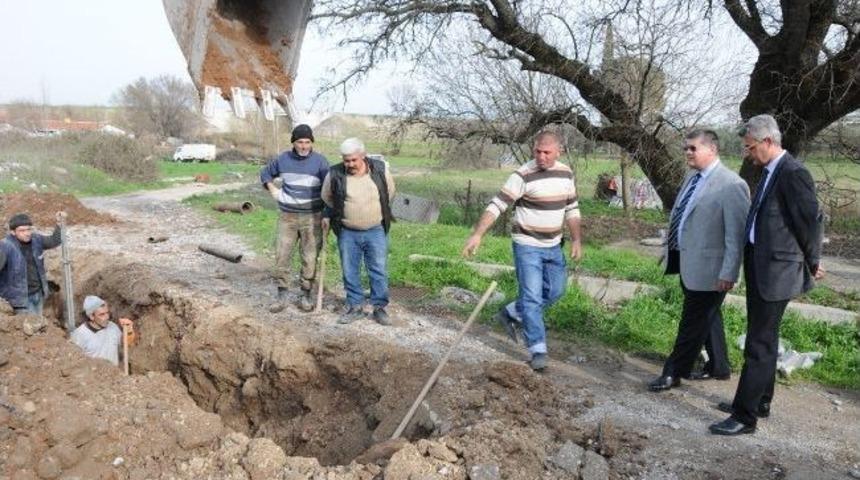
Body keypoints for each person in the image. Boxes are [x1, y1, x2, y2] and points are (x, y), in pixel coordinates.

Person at [710, 114, 823, 436]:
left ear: (769, 142)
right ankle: (760, 401)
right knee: (765, 338)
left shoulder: (793, 173)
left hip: (777, 271)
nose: (748, 153)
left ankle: (744, 417)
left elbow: (810, 220)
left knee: (758, 344)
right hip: (764, 267)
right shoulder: (771, 171)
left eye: (750, 147)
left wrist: (812, 261)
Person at [462, 131, 582, 371]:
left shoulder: (566, 174)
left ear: (558, 151)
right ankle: (538, 349)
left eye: (546, 152)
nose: (541, 156)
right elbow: (497, 205)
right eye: (537, 151)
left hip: (553, 245)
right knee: (531, 297)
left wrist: (577, 239)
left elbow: (572, 208)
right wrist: (477, 234)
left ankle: (509, 312)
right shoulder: (522, 175)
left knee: (556, 291)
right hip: (527, 246)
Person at [647, 130, 750, 392]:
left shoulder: (732, 185)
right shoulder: (692, 177)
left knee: (691, 322)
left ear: (712, 149)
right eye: (686, 148)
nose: (687, 153)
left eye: (693, 148)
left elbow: (735, 236)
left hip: (712, 269)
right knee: (707, 316)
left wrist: (729, 272)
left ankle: (673, 372)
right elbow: (682, 215)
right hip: (687, 261)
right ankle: (719, 366)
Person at [321, 138, 396, 325]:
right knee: (350, 270)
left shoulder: (380, 169)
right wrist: (333, 214)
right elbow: (327, 197)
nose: (350, 164)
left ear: (363, 155)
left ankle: (379, 307)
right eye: (346, 160)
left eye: (354, 160)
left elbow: (390, 192)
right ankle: (355, 306)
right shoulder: (335, 173)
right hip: (348, 231)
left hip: (376, 230)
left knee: (378, 270)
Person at [260, 124, 330, 311]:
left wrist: (327, 214)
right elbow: (265, 174)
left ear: (311, 142)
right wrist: (273, 189)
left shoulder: (321, 162)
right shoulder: (283, 159)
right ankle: (282, 294)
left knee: (309, 257)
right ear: (294, 142)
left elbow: (330, 189)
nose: (304, 146)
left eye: (307, 142)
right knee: (282, 255)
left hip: (313, 216)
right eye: (300, 142)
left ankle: (305, 295)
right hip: (287, 217)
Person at [0, 212, 66, 315]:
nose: (27, 233)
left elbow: (54, 241)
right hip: (20, 299)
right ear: (13, 232)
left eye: (28, 229)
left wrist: (59, 224)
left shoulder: (36, 239)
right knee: (28, 327)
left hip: (38, 293)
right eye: (22, 230)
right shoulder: (5, 246)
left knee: (38, 323)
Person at [70, 295, 134, 367]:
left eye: (107, 313)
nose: (107, 317)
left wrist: (128, 332)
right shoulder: (80, 334)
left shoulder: (112, 326)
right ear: (91, 316)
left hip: (115, 376)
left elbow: (125, 344)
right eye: (102, 314)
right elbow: (74, 361)